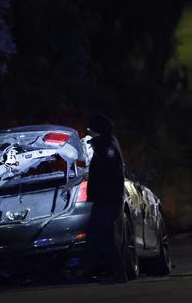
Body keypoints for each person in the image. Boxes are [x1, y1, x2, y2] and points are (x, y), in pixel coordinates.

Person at [85, 113, 127, 284]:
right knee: (101, 236)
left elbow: (105, 174)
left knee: (103, 236)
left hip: (107, 199)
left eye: (90, 128)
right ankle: (108, 272)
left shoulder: (106, 148)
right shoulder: (107, 145)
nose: (88, 131)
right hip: (108, 199)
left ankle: (117, 273)